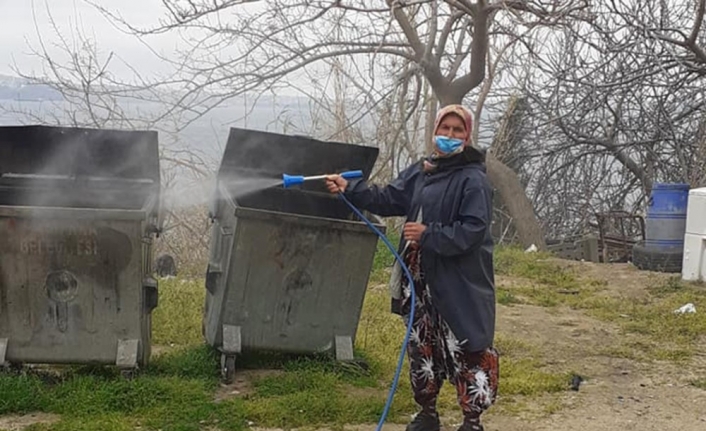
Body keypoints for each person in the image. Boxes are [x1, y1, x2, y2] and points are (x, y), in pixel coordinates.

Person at [325, 104, 499, 431]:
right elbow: (390, 198)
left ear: (467, 136)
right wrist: (352, 190)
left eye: (457, 130)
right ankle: (427, 415)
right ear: (434, 131)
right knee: (423, 346)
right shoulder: (424, 170)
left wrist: (429, 235)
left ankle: (472, 421)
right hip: (420, 281)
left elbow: (473, 231)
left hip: (459, 284)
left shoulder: (474, 180)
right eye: (444, 129)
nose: (449, 135)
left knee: (467, 348)